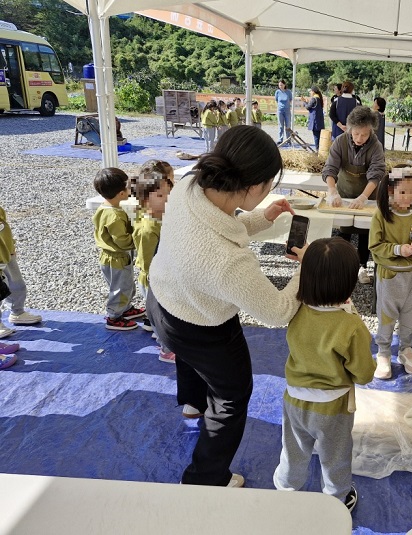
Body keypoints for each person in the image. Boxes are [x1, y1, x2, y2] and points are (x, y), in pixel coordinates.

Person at [146, 125, 305, 487]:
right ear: (252, 186)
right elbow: (278, 311)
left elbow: (222, 223)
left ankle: (190, 403)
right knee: (231, 396)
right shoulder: (226, 263)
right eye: (268, 186)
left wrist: (263, 218)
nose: (269, 192)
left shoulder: (190, 184)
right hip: (201, 325)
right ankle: (206, 479)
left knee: (189, 362)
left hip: (164, 298)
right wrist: (306, 271)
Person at [273, 237, 376, 513]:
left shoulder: (296, 311)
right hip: (333, 408)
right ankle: (336, 500)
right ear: (349, 284)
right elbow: (364, 373)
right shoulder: (351, 325)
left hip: (294, 400)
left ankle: (285, 489)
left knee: (293, 450)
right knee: (335, 457)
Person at [368, 167, 412, 379]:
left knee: (410, 314)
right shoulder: (381, 216)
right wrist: (398, 249)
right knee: (386, 315)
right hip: (390, 275)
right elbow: (375, 246)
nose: (408, 196)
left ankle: (406, 349)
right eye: (402, 192)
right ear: (390, 191)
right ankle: (383, 352)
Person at [322, 105, 386, 284]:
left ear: (371, 131)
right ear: (350, 129)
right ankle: (341, 266)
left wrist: (363, 197)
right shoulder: (340, 142)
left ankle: (362, 266)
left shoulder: (376, 146)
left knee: (366, 232)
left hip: (368, 196)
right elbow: (330, 168)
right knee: (343, 231)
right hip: (344, 193)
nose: (359, 138)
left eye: (364, 134)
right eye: (356, 133)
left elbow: (377, 173)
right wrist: (332, 191)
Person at [92, 168, 145, 331]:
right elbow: (122, 241)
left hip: (111, 258)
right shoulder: (114, 215)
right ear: (121, 193)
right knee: (120, 287)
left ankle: (126, 308)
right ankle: (114, 317)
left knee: (125, 285)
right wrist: (139, 236)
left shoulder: (105, 207)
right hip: (117, 258)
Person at [132, 172, 174, 363]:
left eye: (168, 193)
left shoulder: (160, 218)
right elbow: (147, 259)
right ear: (144, 199)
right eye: (159, 195)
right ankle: (166, 350)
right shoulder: (148, 228)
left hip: (163, 275)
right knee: (161, 316)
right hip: (154, 279)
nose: (166, 199)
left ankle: (162, 338)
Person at [0, 204, 43, 340]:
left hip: (6, 254)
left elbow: (5, 229)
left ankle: (17, 312)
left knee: (17, 284)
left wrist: (11, 245)